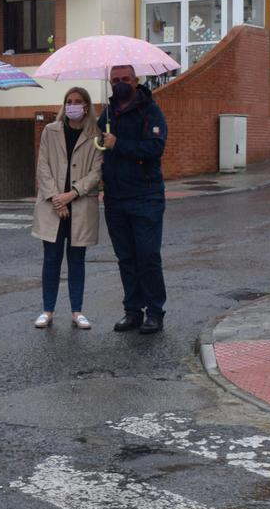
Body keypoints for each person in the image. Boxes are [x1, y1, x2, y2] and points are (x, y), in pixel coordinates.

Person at [97, 65, 168, 334]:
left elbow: (155, 148)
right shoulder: (106, 113)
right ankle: (132, 310)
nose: (120, 84)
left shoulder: (151, 111)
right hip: (116, 197)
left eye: (125, 79)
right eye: (115, 80)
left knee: (147, 256)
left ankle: (155, 312)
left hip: (146, 196)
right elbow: (102, 145)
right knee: (125, 257)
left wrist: (119, 144)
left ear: (136, 81)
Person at [31, 87, 103, 329]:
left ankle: (77, 311)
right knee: (51, 259)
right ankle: (47, 310)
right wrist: (56, 198)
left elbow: (96, 173)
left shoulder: (96, 135)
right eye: (69, 101)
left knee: (77, 259)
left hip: (80, 205)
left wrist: (71, 194)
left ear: (86, 106)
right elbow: (43, 166)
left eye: (78, 101)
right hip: (53, 206)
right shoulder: (50, 131)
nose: (73, 105)